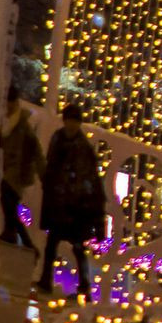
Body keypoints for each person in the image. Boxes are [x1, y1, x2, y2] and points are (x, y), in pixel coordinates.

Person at [37, 100, 106, 295]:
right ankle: (47, 280)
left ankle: (83, 286)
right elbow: (52, 167)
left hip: (76, 207)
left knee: (76, 247)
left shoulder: (82, 147)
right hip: (60, 203)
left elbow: (89, 178)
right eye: (69, 120)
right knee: (53, 244)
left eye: (75, 121)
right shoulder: (58, 139)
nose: (72, 124)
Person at [0, 97, 43, 255]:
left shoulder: (21, 126)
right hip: (11, 171)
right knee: (9, 206)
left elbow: (36, 151)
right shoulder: (9, 122)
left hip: (18, 174)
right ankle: (11, 234)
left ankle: (27, 243)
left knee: (9, 205)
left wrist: (43, 174)